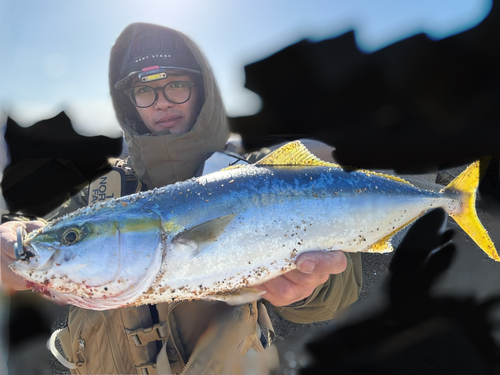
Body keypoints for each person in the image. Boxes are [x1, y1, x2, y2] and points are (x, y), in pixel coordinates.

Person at [0, 23, 362, 374]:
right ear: (129, 104)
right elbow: (44, 237)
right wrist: (10, 240)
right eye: (144, 91)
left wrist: (312, 288)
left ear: (202, 90)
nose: (161, 103)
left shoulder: (252, 176)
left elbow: (339, 284)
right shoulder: (103, 191)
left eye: (176, 85)